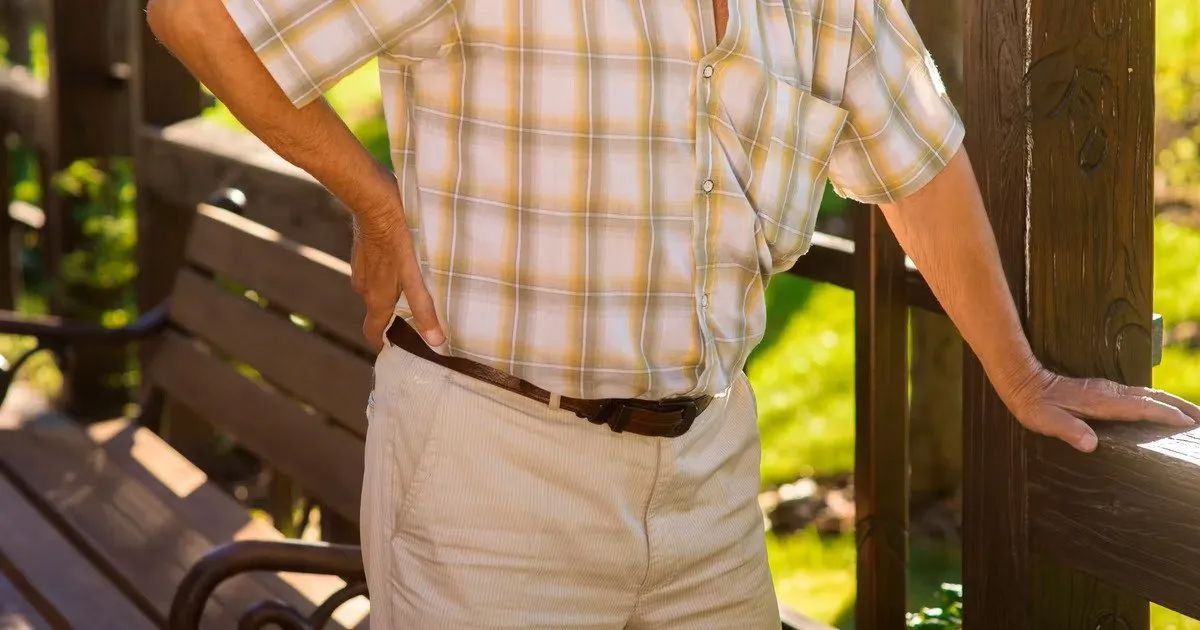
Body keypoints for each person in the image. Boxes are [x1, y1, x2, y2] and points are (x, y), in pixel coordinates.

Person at [147, 0, 1200, 627]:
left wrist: (1019, 374)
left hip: (709, 480)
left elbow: (918, 159)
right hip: (490, 469)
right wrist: (371, 198)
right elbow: (198, 17)